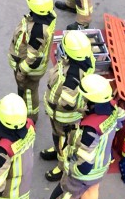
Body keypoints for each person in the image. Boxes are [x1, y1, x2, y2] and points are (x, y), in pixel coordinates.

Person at [20, 74, 125, 199]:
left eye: (85, 98)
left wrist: (70, 170)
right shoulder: (114, 110)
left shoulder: (90, 130)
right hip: (101, 168)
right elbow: (122, 119)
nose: (82, 100)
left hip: (82, 175)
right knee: (91, 193)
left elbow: (83, 166)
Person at [39, 30, 92, 182]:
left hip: (64, 119)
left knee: (64, 142)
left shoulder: (73, 77)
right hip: (58, 117)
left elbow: (68, 104)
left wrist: (54, 104)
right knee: (58, 137)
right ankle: (57, 150)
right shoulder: (82, 61)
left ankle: (62, 167)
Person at [8, 0, 57, 125]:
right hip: (34, 66)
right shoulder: (47, 16)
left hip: (30, 70)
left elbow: (31, 57)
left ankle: (30, 118)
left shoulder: (37, 31)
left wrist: (21, 72)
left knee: (29, 94)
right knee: (27, 92)